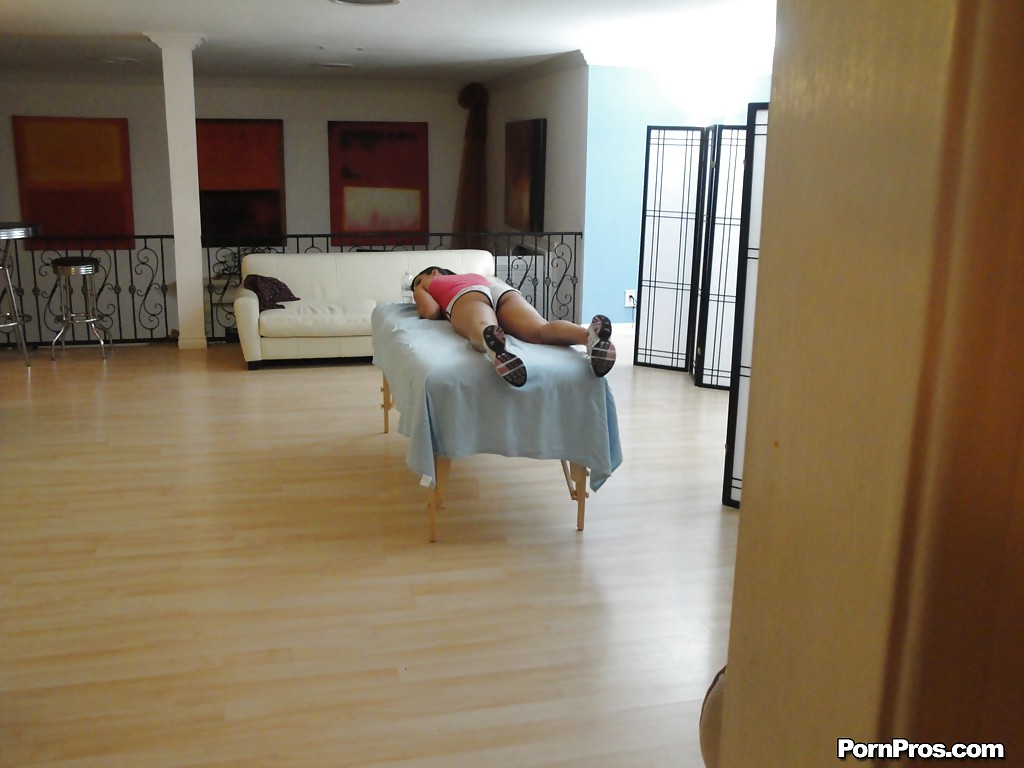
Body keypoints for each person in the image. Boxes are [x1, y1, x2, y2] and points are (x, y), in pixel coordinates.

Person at [411, 266, 615, 388]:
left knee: (482, 325)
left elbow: (430, 312)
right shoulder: (475, 275)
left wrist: (418, 288)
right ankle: (590, 336)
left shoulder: (433, 282)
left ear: (433, 272)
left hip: (467, 295)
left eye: (419, 280)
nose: (417, 285)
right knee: (540, 330)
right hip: (502, 291)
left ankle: (494, 347)